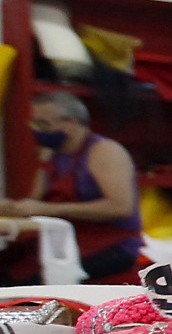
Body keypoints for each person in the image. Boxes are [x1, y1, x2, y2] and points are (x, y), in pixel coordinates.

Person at [0, 90, 143, 283]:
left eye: (44, 124)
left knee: (27, 280)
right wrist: (13, 207)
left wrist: (48, 209)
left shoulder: (104, 151)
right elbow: (36, 202)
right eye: (35, 124)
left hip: (112, 244)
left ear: (71, 122)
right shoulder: (51, 153)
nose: (38, 131)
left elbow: (120, 207)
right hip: (62, 239)